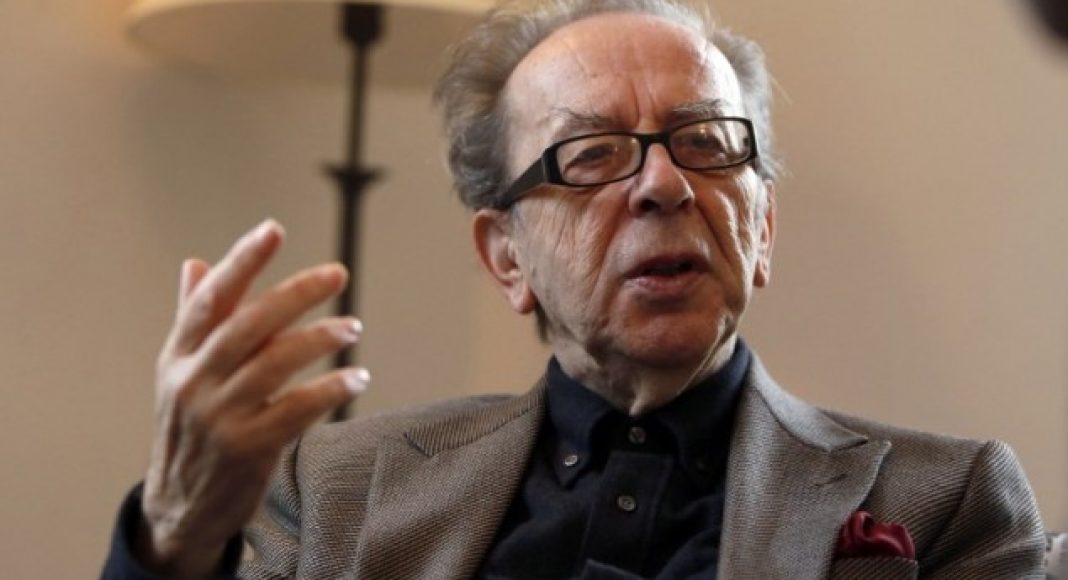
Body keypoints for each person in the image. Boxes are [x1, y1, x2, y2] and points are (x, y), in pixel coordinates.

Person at [103, 0, 1046, 577]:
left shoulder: (945, 500)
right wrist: (174, 540)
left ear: (762, 228)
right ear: (505, 256)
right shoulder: (342, 489)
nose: (664, 184)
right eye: (592, 154)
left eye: (706, 143)